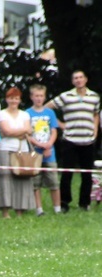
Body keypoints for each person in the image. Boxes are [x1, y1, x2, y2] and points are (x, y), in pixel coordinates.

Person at [47, 70, 100, 212]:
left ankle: (84, 203)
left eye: (81, 77)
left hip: (88, 140)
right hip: (70, 139)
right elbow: (47, 108)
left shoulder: (94, 97)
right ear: (72, 82)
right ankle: (64, 202)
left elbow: (95, 114)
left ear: (86, 79)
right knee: (67, 173)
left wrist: (95, 130)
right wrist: (59, 124)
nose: (78, 80)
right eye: (75, 78)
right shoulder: (66, 96)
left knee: (87, 174)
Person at [0, 87, 34, 218]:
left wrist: (18, 131)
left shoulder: (25, 114)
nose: (14, 101)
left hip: (22, 149)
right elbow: (6, 131)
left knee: (22, 178)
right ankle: (5, 211)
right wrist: (22, 131)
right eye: (11, 98)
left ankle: (20, 210)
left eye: (16, 98)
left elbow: (29, 131)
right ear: (7, 99)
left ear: (20, 100)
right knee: (4, 178)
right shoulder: (1, 114)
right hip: (5, 148)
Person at [27, 84, 61, 215]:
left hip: (49, 152)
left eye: (41, 96)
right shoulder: (27, 113)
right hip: (35, 152)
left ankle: (57, 208)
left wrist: (49, 145)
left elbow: (54, 131)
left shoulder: (50, 113)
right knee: (36, 183)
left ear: (44, 97)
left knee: (53, 181)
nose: (39, 98)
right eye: (36, 96)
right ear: (31, 97)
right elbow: (27, 135)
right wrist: (39, 145)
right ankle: (39, 209)